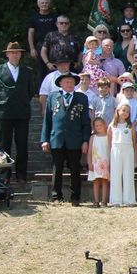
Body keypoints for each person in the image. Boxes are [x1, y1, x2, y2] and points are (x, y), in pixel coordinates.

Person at [40, 72, 90, 206]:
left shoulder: (82, 98)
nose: (69, 84)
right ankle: (56, 196)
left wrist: (85, 140)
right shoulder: (52, 97)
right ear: (60, 84)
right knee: (57, 168)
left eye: (72, 82)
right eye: (66, 82)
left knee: (75, 168)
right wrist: (45, 139)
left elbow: (86, 121)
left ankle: (75, 197)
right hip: (57, 138)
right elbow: (47, 120)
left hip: (75, 139)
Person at [0, 42, 35, 182]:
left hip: (22, 112)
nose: (15, 55)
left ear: (21, 54)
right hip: (5, 112)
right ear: (7, 54)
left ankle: (21, 173)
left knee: (22, 144)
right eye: (12, 53)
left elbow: (31, 91)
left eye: (17, 52)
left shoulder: (27, 71)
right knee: (4, 143)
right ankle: (5, 174)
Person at [108, 102, 137, 206]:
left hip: (128, 150)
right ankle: (116, 200)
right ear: (118, 111)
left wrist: (131, 151)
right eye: (123, 110)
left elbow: (134, 140)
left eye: (128, 111)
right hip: (116, 150)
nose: (125, 113)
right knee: (115, 175)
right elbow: (109, 141)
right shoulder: (112, 126)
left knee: (128, 174)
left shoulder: (130, 126)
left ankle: (129, 199)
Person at [28, 0, 58, 79]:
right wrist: (32, 48)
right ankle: (40, 91)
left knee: (53, 69)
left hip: (53, 47)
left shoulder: (55, 17)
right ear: (38, 4)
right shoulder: (34, 17)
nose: (44, 4)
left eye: (46, 3)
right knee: (41, 70)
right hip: (40, 46)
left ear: (49, 4)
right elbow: (30, 33)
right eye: (42, 3)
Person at [87, 117, 110, 207]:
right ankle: (96, 201)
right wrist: (89, 163)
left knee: (105, 181)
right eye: (96, 126)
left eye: (100, 125)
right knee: (96, 181)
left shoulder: (108, 137)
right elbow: (89, 152)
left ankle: (104, 201)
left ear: (105, 125)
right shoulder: (93, 137)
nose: (99, 127)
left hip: (105, 162)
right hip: (95, 162)